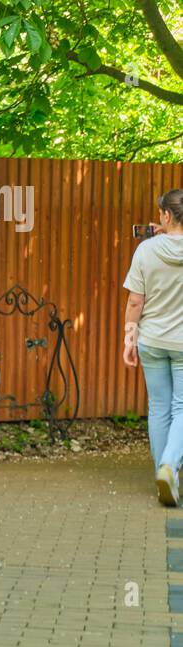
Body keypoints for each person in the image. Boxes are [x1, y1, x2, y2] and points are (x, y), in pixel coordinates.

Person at [123, 189, 183, 505]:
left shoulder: (146, 250)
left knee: (159, 407)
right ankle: (170, 469)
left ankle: (164, 472)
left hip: (152, 340)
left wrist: (128, 339)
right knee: (182, 406)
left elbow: (135, 300)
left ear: (166, 216)